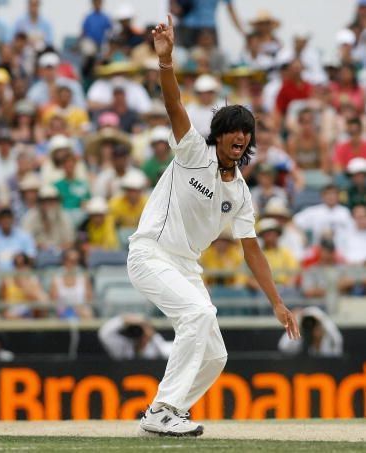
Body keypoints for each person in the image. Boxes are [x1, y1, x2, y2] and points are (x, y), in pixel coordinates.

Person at [127, 16, 299, 437]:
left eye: (246, 132)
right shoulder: (192, 153)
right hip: (150, 253)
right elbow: (174, 106)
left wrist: (277, 302)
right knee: (199, 314)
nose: (240, 136)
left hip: (185, 266)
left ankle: (173, 411)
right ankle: (162, 408)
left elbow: (252, 249)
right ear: (219, 136)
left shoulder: (240, 191)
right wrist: (166, 62)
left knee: (216, 355)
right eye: (233, 130)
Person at [98, 314, 172, 360]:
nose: (138, 331)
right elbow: (104, 333)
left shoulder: (154, 343)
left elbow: (168, 353)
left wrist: (151, 336)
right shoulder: (121, 345)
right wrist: (123, 320)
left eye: (142, 327)